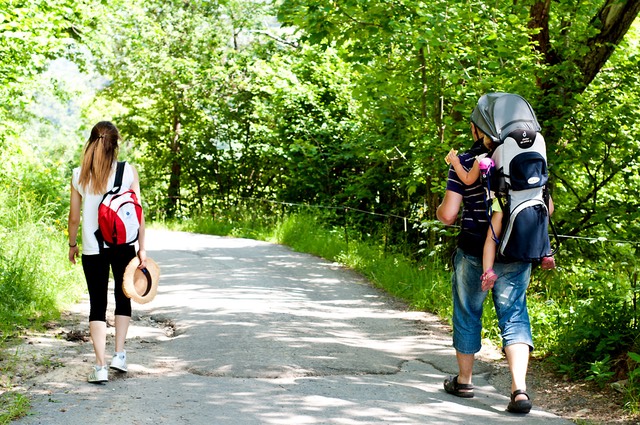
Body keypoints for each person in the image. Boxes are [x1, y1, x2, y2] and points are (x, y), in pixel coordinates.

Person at [437, 120, 535, 414]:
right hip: (517, 250)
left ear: (476, 129)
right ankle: (519, 390)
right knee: (515, 316)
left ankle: (464, 381)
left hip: (473, 250)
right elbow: (548, 207)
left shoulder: (467, 161)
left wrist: (441, 208)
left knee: (468, 312)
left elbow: (448, 214)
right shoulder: (526, 158)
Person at [67, 121, 147, 384]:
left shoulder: (79, 174)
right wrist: (142, 248)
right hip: (123, 245)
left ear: (91, 141)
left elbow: (74, 218)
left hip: (92, 248)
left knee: (97, 304)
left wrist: (72, 244)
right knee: (124, 298)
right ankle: (119, 355)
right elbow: (138, 212)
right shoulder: (127, 171)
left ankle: (100, 367)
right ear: (116, 145)